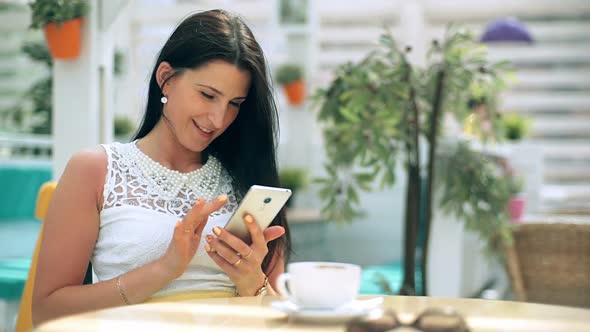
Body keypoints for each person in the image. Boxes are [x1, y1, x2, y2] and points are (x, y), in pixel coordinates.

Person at [32, 9, 290, 325]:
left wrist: (253, 284)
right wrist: (164, 269)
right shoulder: (97, 170)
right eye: (208, 95)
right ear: (165, 78)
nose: (218, 119)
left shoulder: (247, 179)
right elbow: (46, 310)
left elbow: (281, 319)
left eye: (235, 104)